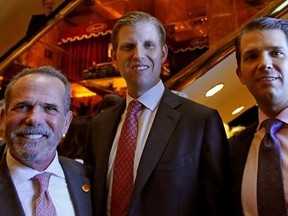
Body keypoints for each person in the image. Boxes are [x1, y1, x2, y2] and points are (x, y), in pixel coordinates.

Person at [84, 11, 231, 216]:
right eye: (128, 46)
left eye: (148, 45)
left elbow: (219, 206)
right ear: (114, 56)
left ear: (163, 54)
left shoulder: (200, 122)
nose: (138, 55)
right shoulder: (98, 126)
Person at [0, 66, 93, 216]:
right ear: (3, 118)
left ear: (66, 123)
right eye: (23, 106)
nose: (34, 119)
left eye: (49, 108)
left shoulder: (87, 178)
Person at [229, 17, 288, 216]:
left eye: (276, 53)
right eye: (252, 56)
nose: (265, 64)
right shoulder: (231, 151)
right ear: (240, 75)